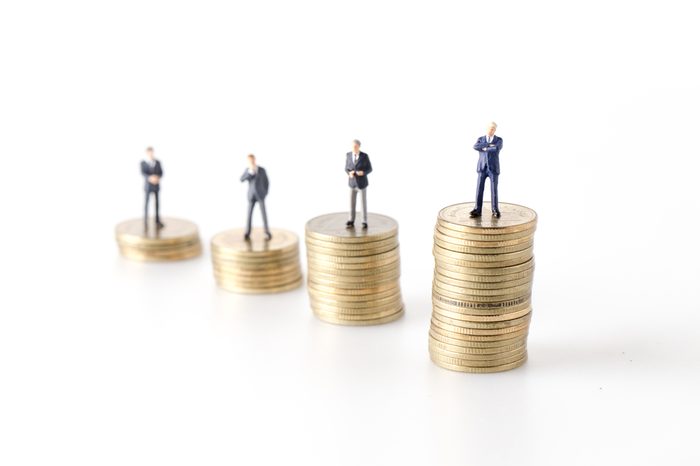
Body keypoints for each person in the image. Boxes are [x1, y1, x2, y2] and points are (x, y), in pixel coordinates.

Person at [470, 122, 503, 218]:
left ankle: (495, 209)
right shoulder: (481, 139)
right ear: (486, 128)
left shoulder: (499, 140)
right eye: (489, 128)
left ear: (495, 130)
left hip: (493, 168)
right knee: (479, 189)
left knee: (494, 190)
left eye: (493, 129)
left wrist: (484, 148)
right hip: (482, 168)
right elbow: (475, 146)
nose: (490, 130)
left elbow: (497, 148)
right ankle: (477, 209)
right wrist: (489, 145)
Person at [240, 154, 271, 241]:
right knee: (249, 214)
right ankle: (247, 232)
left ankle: (266, 231)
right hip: (251, 196)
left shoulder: (262, 170)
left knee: (264, 214)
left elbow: (267, 182)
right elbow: (241, 179)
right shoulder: (248, 170)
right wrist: (250, 172)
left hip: (261, 195)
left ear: (255, 160)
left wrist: (265, 193)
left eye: (252, 160)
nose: (251, 162)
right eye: (250, 161)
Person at [345, 139, 373, 229]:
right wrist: (349, 173)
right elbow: (346, 168)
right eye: (352, 146)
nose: (354, 148)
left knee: (363, 203)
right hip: (352, 183)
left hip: (362, 184)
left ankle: (364, 221)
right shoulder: (348, 155)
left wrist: (363, 173)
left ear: (359, 147)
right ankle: (351, 220)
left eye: (355, 147)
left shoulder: (364, 156)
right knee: (351, 203)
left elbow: (370, 169)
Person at [141, 147, 164, 228]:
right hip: (148, 186)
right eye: (149, 152)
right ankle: (145, 221)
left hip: (156, 185)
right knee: (147, 203)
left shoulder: (158, 162)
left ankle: (157, 221)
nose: (151, 154)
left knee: (157, 203)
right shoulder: (143, 163)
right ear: (147, 153)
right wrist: (150, 178)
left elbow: (161, 173)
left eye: (152, 152)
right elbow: (143, 173)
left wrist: (157, 178)